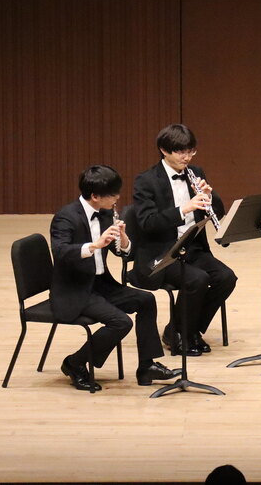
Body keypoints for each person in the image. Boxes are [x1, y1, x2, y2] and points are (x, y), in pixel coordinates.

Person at [49, 165, 181, 392]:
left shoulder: (105, 213)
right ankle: (75, 362)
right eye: (113, 194)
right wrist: (94, 245)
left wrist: (123, 240)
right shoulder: (66, 217)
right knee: (121, 322)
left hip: (101, 284)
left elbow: (122, 252)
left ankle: (146, 366)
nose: (118, 198)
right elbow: (60, 252)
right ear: (95, 196)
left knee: (146, 300)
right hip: (75, 289)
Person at [130, 124, 237, 357]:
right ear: (164, 150)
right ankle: (182, 334)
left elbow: (217, 212)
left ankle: (184, 329)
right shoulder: (146, 181)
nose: (187, 157)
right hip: (161, 254)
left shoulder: (195, 172)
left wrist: (209, 196)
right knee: (197, 279)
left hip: (192, 248)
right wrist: (183, 209)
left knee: (226, 278)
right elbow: (147, 223)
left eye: (191, 151)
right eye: (181, 152)